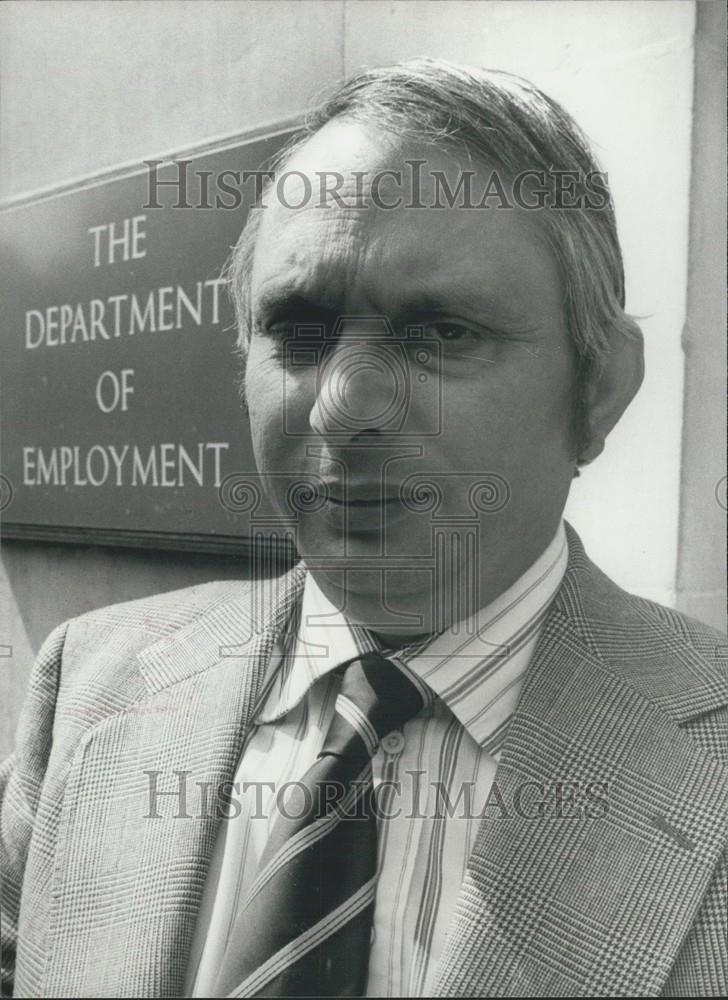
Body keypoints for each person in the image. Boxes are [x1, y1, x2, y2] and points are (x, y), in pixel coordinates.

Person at [1, 59, 726, 999]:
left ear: (599, 389)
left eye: (441, 334)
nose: (347, 407)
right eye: (298, 330)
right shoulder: (91, 684)